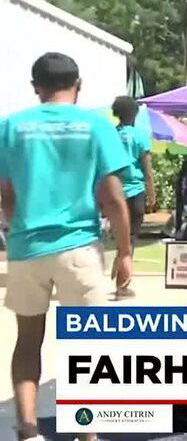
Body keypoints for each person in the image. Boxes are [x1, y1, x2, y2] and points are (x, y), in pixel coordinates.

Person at [1, 52, 132, 441]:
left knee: (28, 340)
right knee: (87, 343)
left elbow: (5, 193)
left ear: (35, 87)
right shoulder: (95, 125)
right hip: (79, 247)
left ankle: (28, 429)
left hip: (27, 246)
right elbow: (112, 196)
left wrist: (15, 224)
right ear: (78, 86)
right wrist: (125, 250)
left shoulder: (10, 126)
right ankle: (86, 433)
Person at [110, 95, 156, 299]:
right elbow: (147, 169)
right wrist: (152, 194)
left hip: (115, 191)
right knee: (131, 237)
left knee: (121, 235)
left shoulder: (111, 135)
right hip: (135, 191)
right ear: (135, 114)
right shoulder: (140, 135)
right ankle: (123, 284)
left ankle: (120, 264)